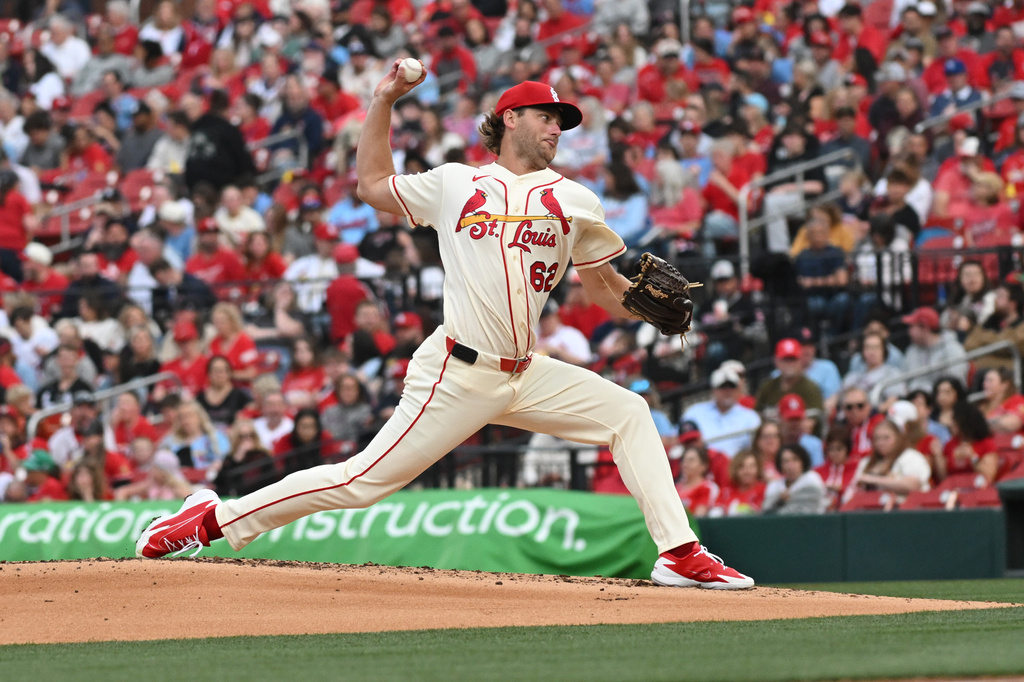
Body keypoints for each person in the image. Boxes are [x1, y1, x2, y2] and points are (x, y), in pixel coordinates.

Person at [136, 72, 754, 589]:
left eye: (563, 121)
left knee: (630, 413)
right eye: (545, 116)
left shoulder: (578, 199)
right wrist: (382, 102)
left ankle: (678, 554)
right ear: (509, 118)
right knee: (358, 483)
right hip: (458, 371)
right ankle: (212, 520)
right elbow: (372, 187)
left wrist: (647, 307)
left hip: (526, 371)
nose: (556, 128)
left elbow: (606, 288)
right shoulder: (458, 182)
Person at [681, 365, 761, 457]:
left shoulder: (750, 417)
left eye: (732, 386)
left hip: (735, 467)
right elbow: (678, 439)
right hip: (702, 465)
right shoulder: (694, 412)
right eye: (722, 387)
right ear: (713, 389)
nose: (728, 391)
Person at [850, 418, 931, 503]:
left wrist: (873, 479)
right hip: (872, 509)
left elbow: (913, 485)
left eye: (886, 438)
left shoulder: (910, 456)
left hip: (907, 509)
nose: (881, 443)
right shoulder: (866, 462)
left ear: (898, 437)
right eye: (877, 438)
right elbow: (854, 490)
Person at [901, 307, 969, 392]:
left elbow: (956, 384)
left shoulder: (953, 349)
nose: (909, 332)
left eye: (912, 327)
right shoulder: (911, 351)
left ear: (925, 328)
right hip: (916, 400)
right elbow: (904, 382)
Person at [942, 400, 999, 485]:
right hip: (955, 489)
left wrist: (972, 456)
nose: (951, 424)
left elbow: (989, 475)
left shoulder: (986, 444)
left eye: (954, 420)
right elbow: (943, 478)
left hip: (978, 490)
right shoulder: (950, 444)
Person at [762, 444, 828, 515]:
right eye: (785, 461)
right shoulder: (774, 485)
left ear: (802, 461)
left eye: (795, 460)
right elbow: (766, 510)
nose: (790, 466)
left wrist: (782, 501)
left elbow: (804, 511)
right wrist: (780, 501)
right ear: (780, 465)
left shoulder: (811, 478)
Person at [816, 426, 858, 511]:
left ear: (847, 449)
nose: (834, 453)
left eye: (839, 449)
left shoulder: (857, 467)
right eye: (831, 449)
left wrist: (840, 489)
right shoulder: (818, 471)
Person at [713, 450, 766, 516]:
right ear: (735, 469)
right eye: (742, 467)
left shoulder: (763, 490)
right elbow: (716, 510)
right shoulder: (726, 490)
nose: (747, 471)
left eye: (752, 466)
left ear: (758, 468)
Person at [674, 444, 718, 518]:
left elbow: (699, 517)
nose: (685, 464)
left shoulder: (707, 488)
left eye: (691, 460)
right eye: (684, 460)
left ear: (703, 466)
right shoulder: (676, 488)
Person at [977, 367, 1024, 435]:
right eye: (985, 380)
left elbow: (1013, 423)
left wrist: (980, 423)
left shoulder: (1016, 399)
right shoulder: (983, 406)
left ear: (1004, 385)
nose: (984, 384)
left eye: (990, 381)